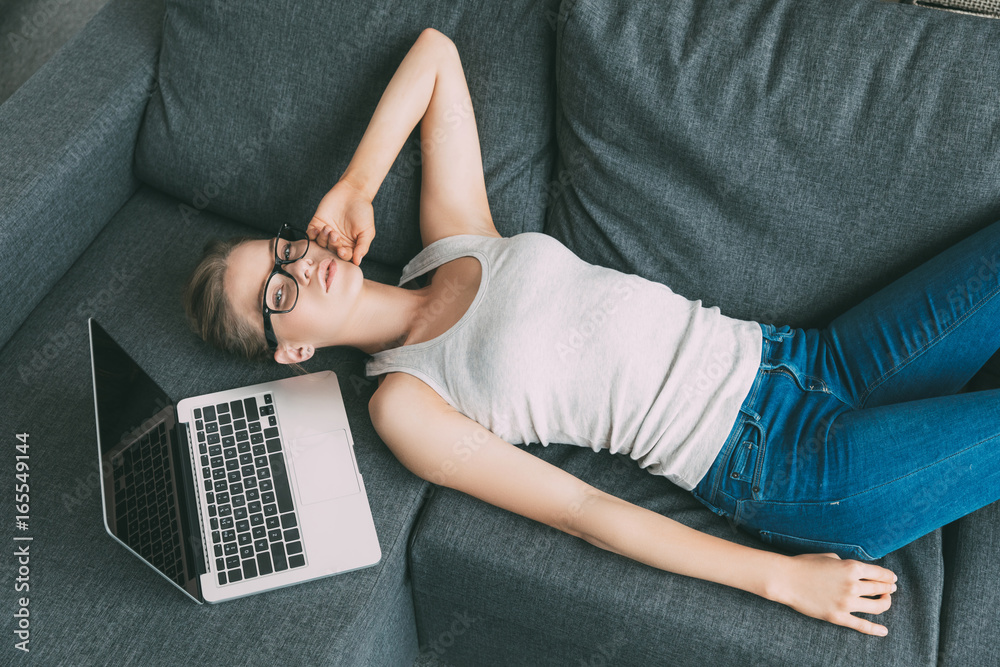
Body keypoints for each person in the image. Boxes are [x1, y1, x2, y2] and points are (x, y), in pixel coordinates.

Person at [183, 27, 1000, 638]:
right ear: (291, 349)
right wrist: (783, 581)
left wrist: (357, 184)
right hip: (788, 468)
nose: (301, 264)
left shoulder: (453, 236)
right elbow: (580, 508)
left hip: (809, 357)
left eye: (285, 247)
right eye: (278, 290)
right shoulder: (405, 401)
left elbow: (435, 56)